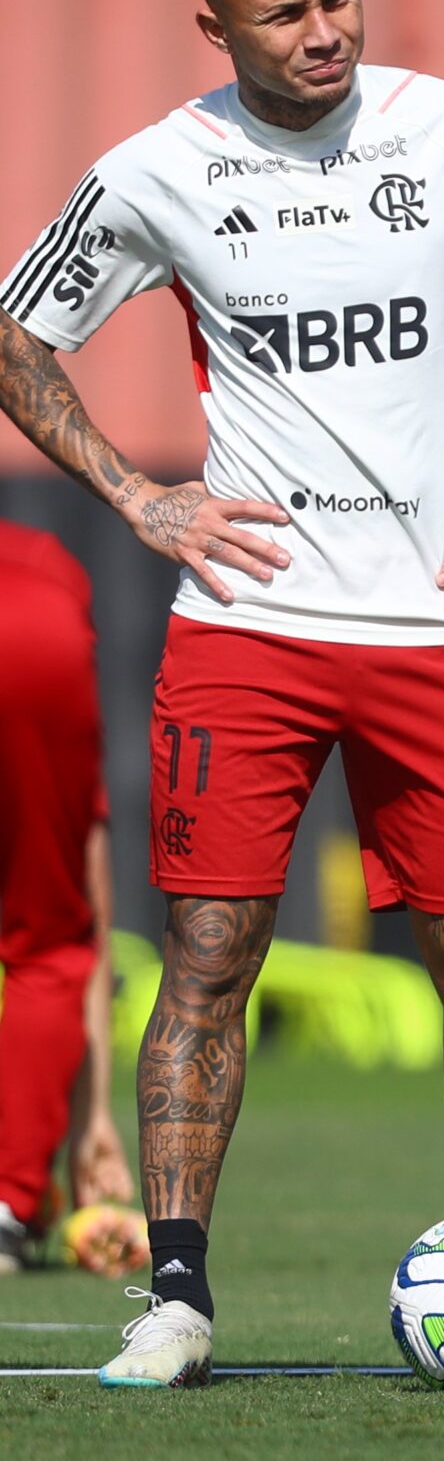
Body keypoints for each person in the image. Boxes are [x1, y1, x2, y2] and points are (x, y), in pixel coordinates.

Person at [0, 0, 444, 1388]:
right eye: (284, 12)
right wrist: (140, 495)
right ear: (214, 26)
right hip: (249, 626)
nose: (325, 30)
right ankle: (176, 1293)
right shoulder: (160, 169)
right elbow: (19, 332)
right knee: (208, 952)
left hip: (442, 624)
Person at [0, 520, 136, 1276]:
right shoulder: (47, 567)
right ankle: (7, 1206)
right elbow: (85, 899)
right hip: (38, 619)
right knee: (49, 941)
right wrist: (93, 1125)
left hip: (39, 613)